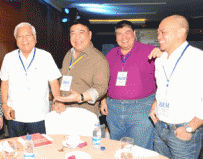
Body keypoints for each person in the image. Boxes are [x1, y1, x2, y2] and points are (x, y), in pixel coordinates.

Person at [100, 20, 160, 150]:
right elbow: (104, 80)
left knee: (140, 150)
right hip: (114, 109)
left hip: (141, 109)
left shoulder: (149, 51)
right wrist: (103, 100)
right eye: (119, 34)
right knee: (118, 148)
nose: (124, 37)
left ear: (134, 33)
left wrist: (157, 101)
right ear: (115, 37)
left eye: (127, 32)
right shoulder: (111, 54)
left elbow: (165, 77)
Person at [149, 15, 203, 158]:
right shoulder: (160, 60)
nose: (158, 36)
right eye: (158, 33)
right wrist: (156, 103)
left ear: (180, 32)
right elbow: (163, 87)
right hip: (160, 128)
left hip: (183, 131)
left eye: (163, 32)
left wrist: (191, 127)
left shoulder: (198, 58)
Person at [0, 22, 61, 137]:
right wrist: (4, 105)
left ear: (35, 37)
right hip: (15, 114)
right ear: (16, 40)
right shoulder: (9, 58)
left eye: (28, 35)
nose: (24, 39)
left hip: (39, 114)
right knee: (17, 148)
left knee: (40, 149)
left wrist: (57, 101)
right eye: (20, 36)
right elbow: (4, 83)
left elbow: (53, 82)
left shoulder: (45, 56)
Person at [54, 18, 109, 116]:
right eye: (73, 33)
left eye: (81, 32)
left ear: (90, 35)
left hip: (84, 114)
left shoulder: (98, 59)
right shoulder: (68, 54)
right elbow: (62, 80)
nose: (76, 37)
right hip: (63, 112)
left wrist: (81, 97)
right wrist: (58, 101)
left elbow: (101, 88)